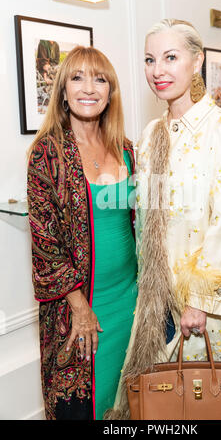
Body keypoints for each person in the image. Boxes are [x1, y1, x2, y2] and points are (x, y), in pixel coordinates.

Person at [106, 19, 221, 419]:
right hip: (158, 297)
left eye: (170, 57)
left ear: (196, 62)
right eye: (149, 59)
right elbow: (147, 217)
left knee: (215, 396)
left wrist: (199, 302)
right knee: (162, 400)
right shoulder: (150, 134)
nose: (157, 70)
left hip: (208, 302)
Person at [27, 45, 137, 420]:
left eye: (99, 79)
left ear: (110, 92)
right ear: (62, 90)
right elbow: (46, 244)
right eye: (77, 78)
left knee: (129, 401)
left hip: (130, 298)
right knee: (79, 406)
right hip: (78, 307)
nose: (89, 88)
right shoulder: (47, 154)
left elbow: (141, 224)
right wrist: (80, 309)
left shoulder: (126, 149)